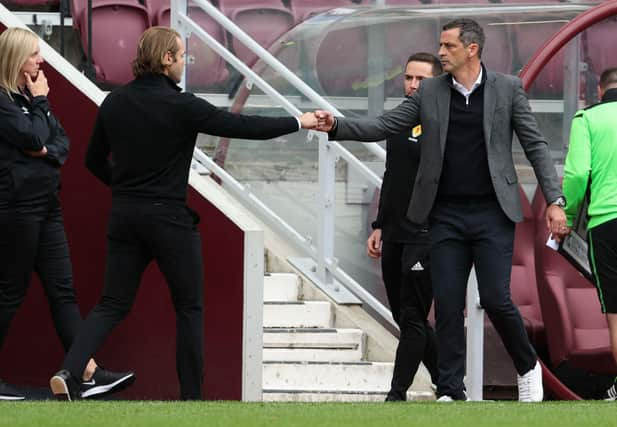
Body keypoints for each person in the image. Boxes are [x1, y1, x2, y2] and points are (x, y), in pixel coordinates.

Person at [49, 26, 317, 401]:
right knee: (189, 307)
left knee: (111, 304)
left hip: (126, 216)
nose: (184, 61)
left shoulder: (115, 102)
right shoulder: (183, 105)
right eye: (181, 54)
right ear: (165, 59)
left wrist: (127, 191)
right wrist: (298, 121)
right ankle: (191, 398)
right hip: (170, 220)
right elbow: (240, 126)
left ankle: (69, 371)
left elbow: (93, 161)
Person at [313, 18, 569, 402]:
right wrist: (337, 126)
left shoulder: (508, 89)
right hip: (444, 215)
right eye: (441, 46)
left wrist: (555, 200)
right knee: (447, 304)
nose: (441, 53)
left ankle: (526, 364)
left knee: (496, 298)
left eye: (448, 46)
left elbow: (535, 146)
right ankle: (451, 389)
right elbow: (386, 124)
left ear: (472, 49)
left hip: (492, 214)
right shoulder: (430, 92)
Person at [0, 27, 134, 401]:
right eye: (33, 55)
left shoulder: (30, 97)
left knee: (63, 291)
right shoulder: (6, 99)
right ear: (15, 59)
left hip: (47, 205)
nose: (40, 61)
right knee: (9, 292)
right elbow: (33, 138)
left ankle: (84, 373)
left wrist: (43, 145)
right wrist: (41, 113)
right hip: (16, 208)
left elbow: (60, 142)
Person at [367, 53, 442, 401]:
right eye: (409, 78)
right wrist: (380, 224)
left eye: (421, 80)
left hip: (425, 233)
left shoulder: (444, 120)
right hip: (395, 232)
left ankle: (396, 395)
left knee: (412, 315)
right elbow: (392, 175)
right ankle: (449, 381)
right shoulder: (399, 119)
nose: (412, 85)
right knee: (403, 316)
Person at [562, 67, 617, 400]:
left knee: (616, 309)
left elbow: (578, 174)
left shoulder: (587, 119)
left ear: (599, 90)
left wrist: (567, 213)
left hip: (607, 222)